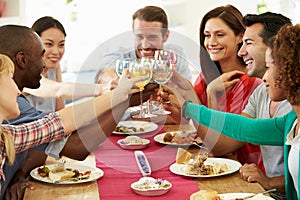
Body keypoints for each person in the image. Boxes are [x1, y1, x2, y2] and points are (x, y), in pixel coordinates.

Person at [0, 25, 145, 199]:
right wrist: (119, 98)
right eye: (10, 79)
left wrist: (119, 96)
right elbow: (69, 136)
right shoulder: (13, 124)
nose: (19, 92)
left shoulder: (11, 136)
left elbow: (57, 124)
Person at [166, 24, 300, 200]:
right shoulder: (292, 120)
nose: (265, 78)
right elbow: (244, 127)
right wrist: (188, 108)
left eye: (270, 68)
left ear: (291, 71)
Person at [190, 5, 263, 168]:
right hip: (217, 165)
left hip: (247, 171)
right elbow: (194, 127)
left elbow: (217, 143)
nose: (211, 42)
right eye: (207, 35)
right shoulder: (204, 78)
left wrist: (211, 96)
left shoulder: (254, 83)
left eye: (220, 35)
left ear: (240, 36)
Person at [97, 5, 192, 81]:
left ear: (165, 36)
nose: (145, 45)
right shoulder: (123, 56)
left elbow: (188, 94)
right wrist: (111, 78)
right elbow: (105, 71)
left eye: (152, 37)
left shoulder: (174, 57)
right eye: (139, 37)